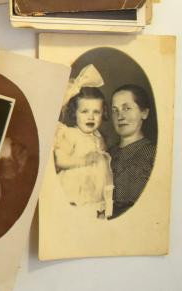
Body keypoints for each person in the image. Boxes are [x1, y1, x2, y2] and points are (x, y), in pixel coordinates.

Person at [54, 86, 113, 218]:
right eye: (84, 111)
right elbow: (60, 160)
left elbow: (103, 165)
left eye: (96, 112)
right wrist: (84, 160)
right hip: (75, 187)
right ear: (74, 113)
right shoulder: (71, 134)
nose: (90, 117)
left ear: (103, 113)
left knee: (93, 215)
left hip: (96, 189)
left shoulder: (99, 137)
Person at [109, 84, 156, 219]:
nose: (120, 116)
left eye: (127, 108)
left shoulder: (153, 154)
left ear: (144, 113)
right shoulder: (106, 154)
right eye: (115, 110)